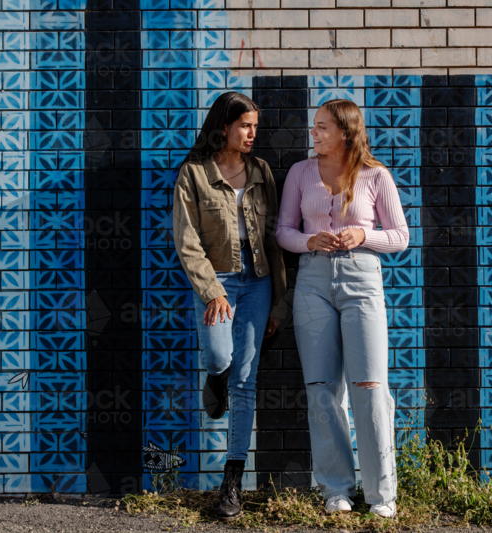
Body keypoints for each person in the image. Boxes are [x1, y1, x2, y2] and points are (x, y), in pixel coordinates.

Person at [276, 99, 409, 518]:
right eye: (314, 126)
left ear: (345, 132)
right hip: (312, 282)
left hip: (362, 280)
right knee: (322, 389)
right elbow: (282, 231)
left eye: (322, 127)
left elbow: (400, 236)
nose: (313, 133)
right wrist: (308, 240)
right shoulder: (300, 172)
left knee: (370, 386)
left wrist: (363, 235)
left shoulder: (376, 175)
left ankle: (381, 495)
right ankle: (335, 489)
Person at [172, 91, 286, 519]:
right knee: (220, 357)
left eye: (255, 126)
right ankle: (213, 378)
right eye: (245, 126)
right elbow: (187, 240)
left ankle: (231, 482)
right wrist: (211, 290)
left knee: (245, 380)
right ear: (224, 126)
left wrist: (279, 303)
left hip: (258, 282)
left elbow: (274, 240)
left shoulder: (261, 171)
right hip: (217, 279)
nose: (252, 134)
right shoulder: (194, 173)